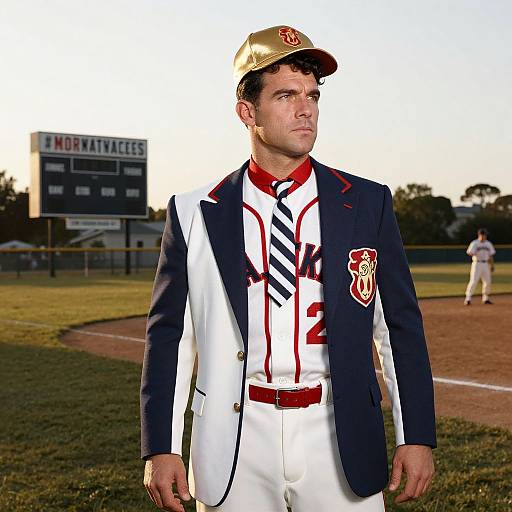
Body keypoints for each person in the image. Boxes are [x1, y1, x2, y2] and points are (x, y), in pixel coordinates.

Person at [140, 25, 436, 512]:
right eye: (286, 95)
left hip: (336, 430)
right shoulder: (193, 211)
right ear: (247, 112)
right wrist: (161, 445)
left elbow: (398, 326)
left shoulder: (366, 202)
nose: (307, 109)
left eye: (313, 95)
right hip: (236, 433)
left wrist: (416, 433)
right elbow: (171, 335)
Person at [464, 228, 496, 305]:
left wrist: (492, 265)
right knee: (473, 281)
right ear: (479, 235)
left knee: (487, 281)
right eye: (483, 235)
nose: (484, 236)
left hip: (485, 264)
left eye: (485, 235)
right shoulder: (475, 243)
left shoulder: (488, 244)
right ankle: (468, 298)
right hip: (476, 264)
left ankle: (485, 298)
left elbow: (491, 255)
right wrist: (475, 253)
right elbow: (469, 252)